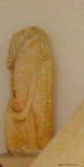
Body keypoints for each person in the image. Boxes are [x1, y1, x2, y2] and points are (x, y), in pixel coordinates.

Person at [5, 26, 53, 155]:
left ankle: (40, 142)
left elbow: (47, 58)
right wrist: (22, 61)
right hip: (21, 75)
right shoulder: (17, 37)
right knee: (22, 105)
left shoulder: (40, 36)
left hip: (39, 78)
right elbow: (10, 62)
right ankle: (26, 143)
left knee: (39, 109)